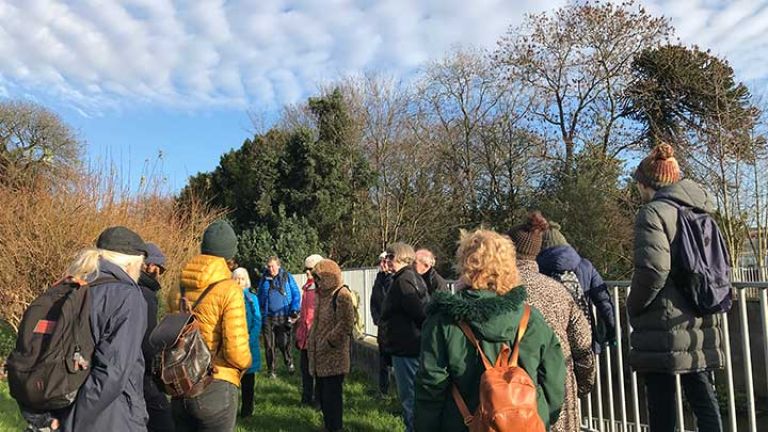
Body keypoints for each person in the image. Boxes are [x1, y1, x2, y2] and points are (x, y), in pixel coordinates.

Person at [414, 229, 566, 431]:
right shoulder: (531, 319)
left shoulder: (443, 322)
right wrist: (541, 417)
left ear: (465, 266)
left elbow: (430, 387)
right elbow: (554, 385)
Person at [628, 143, 724, 432]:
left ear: (646, 183)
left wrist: (633, 304)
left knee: (662, 400)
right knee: (702, 393)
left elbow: (654, 270)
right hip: (699, 311)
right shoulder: (701, 210)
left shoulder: (652, 213)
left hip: (663, 320)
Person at [21, 226, 150, 432]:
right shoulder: (127, 297)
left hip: (58, 405)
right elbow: (113, 372)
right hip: (108, 416)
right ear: (130, 264)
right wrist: (73, 424)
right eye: (140, 266)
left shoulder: (70, 287)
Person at [509, 212, 595, 432]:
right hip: (559, 388)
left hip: (514, 393)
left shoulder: (500, 291)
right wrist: (582, 384)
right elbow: (583, 342)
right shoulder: (557, 291)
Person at [168, 220, 252, 432]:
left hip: (182, 383)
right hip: (216, 383)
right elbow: (236, 351)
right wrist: (245, 365)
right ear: (230, 253)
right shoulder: (230, 290)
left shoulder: (178, 287)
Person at [536, 222, 617, 353]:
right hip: (584, 336)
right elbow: (603, 302)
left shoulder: (537, 269)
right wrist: (611, 330)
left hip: (552, 342)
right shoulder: (585, 266)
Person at [378, 242, 429, 432]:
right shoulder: (408, 277)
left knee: (409, 397)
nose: (387, 261)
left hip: (407, 347)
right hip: (408, 345)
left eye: (390, 257)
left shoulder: (403, 281)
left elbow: (419, 311)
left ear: (400, 257)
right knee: (411, 396)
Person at [307, 259, 356, 432]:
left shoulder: (341, 294)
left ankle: (336, 427)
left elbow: (346, 323)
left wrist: (329, 341)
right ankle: (329, 426)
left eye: (320, 279)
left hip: (333, 355)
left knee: (333, 396)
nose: (318, 283)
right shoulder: (323, 295)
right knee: (324, 395)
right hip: (321, 354)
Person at [139, 243, 175, 432]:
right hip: (143, 372)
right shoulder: (146, 294)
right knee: (164, 423)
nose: (160, 273)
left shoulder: (129, 288)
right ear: (150, 266)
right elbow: (148, 339)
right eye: (159, 268)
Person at [257, 256, 301, 378]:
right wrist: (259, 312)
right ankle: (272, 370)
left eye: (273, 266)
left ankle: (289, 362)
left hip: (283, 315)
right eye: (269, 266)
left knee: (283, 343)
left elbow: (296, 294)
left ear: (278, 266)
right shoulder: (264, 279)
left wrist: (294, 309)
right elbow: (260, 295)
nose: (270, 269)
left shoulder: (287, 277)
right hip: (268, 317)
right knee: (269, 345)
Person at [295, 254, 323, 408]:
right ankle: (306, 398)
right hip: (305, 336)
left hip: (316, 335)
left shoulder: (320, 289)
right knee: (305, 370)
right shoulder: (307, 287)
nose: (307, 272)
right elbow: (305, 314)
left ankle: (318, 400)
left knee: (317, 371)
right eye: (306, 269)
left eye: (310, 269)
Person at [233, 267, 262, 418]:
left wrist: (250, 338)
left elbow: (257, 320)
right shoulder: (229, 297)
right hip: (233, 343)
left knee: (248, 382)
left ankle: (247, 411)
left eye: (242, 278)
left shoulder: (252, 298)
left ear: (246, 281)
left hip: (249, 344)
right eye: (236, 278)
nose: (239, 281)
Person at [370, 252, 393, 398]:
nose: (382, 265)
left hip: (394, 326)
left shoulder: (394, 279)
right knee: (383, 361)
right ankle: (383, 391)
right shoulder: (379, 278)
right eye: (380, 262)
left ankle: (393, 392)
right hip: (382, 325)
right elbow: (374, 300)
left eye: (384, 261)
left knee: (394, 361)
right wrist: (376, 317)